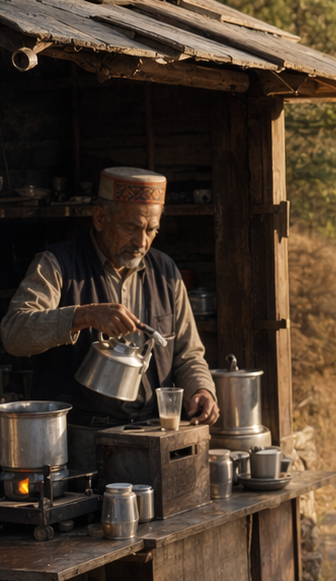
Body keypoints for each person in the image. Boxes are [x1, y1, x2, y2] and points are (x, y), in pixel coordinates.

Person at [0, 166, 219, 468]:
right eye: (132, 227)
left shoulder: (165, 271)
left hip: (151, 436)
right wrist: (82, 316)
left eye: (152, 230)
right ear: (100, 218)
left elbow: (188, 353)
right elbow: (13, 334)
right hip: (77, 443)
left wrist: (201, 388)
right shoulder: (58, 265)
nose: (142, 242)